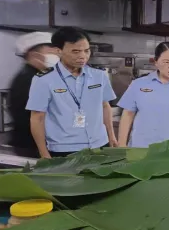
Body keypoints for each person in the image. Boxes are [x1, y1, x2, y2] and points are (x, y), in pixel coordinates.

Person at [26, 27, 117, 158]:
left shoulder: (100, 75)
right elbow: (37, 118)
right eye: (75, 51)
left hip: (100, 145)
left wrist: (111, 136)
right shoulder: (44, 80)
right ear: (59, 51)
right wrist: (43, 152)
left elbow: (105, 106)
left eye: (87, 51)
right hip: (64, 149)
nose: (83, 56)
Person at [8, 32, 60, 158]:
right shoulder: (29, 79)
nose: (58, 54)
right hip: (33, 148)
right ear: (34, 55)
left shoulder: (39, 76)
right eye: (51, 50)